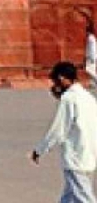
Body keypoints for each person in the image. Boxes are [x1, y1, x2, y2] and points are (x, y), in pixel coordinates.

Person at [32, 61, 97, 203]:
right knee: (69, 197)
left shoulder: (69, 99)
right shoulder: (88, 97)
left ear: (62, 78)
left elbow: (58, 130)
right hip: (89, 155)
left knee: (84, 198)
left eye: (55, 81)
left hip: (75, 158)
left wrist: (40, 150)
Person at [86, 23, 97, 93]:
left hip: (91, 57)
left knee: (89, 69)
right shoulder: (90, 37)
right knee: (92, 69)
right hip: (90, 56)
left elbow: (93, 48)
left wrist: (92, 58)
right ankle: (93, 84)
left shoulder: (90, 38)